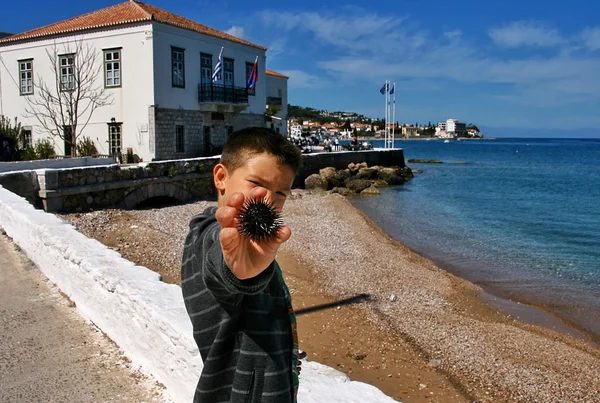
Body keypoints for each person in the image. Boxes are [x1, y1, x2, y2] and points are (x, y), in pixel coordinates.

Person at [181, 127, 303, 403]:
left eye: (281, 193)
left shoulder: (255, 246)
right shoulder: (209, 235)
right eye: (256, 184)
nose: (267, 200)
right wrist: (237, 272)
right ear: (221, 177)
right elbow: (219, 263)